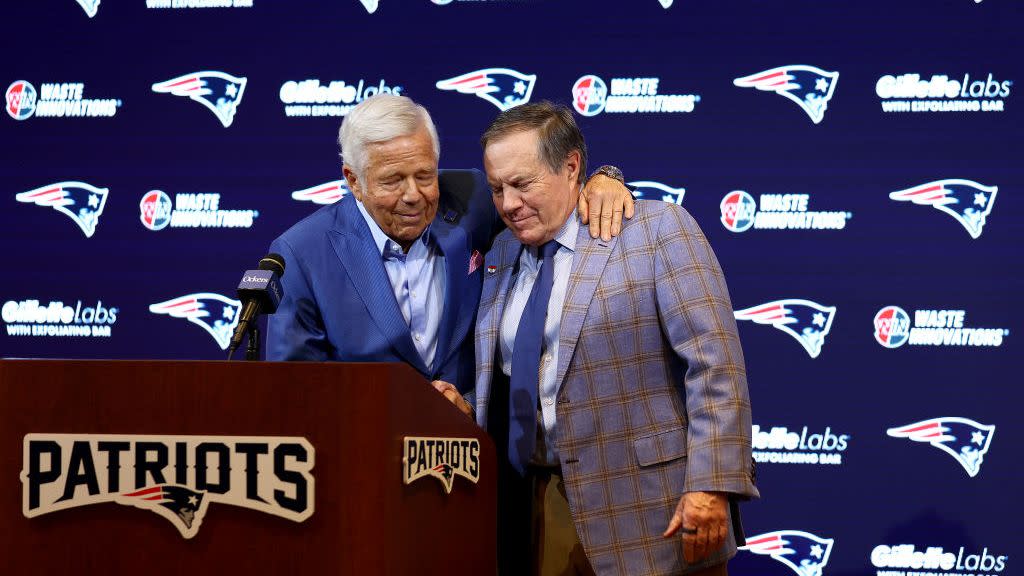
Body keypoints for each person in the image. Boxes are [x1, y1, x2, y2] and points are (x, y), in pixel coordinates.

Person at [444, 102, 758, 575]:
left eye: (522, 184)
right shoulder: (501, 252)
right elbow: (519, 368)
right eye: (496, 188)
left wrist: (712, 485)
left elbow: (716, 366)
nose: (508, 203)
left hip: (655, 512)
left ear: (571, 168)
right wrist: (464, 403)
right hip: (538, 506)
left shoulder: (656, 230)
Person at [266, 94, 634, 394]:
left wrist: (605, 177)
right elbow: (294, 392)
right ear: (354, 181)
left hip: (473, 458)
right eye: (393, 180)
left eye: (425, 175)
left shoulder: (472, 198)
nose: (413, 195)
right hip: (365, 459)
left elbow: (547, 192)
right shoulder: (302, 254)